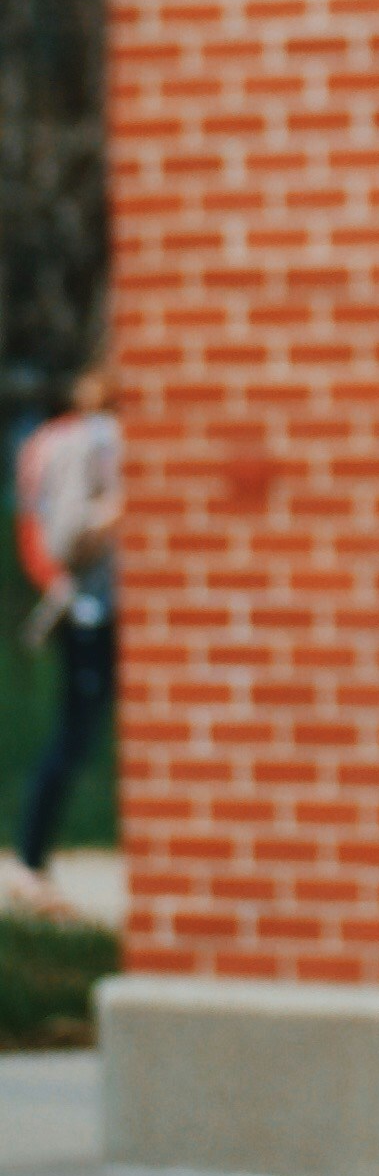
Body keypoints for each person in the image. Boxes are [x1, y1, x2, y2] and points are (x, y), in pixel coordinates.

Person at [9, 356, 121, 899]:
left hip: (117, 614)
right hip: (90, 615)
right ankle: (30, 859)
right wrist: (118, 514)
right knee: (74, 739)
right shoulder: (87, 444)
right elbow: (65, 539)